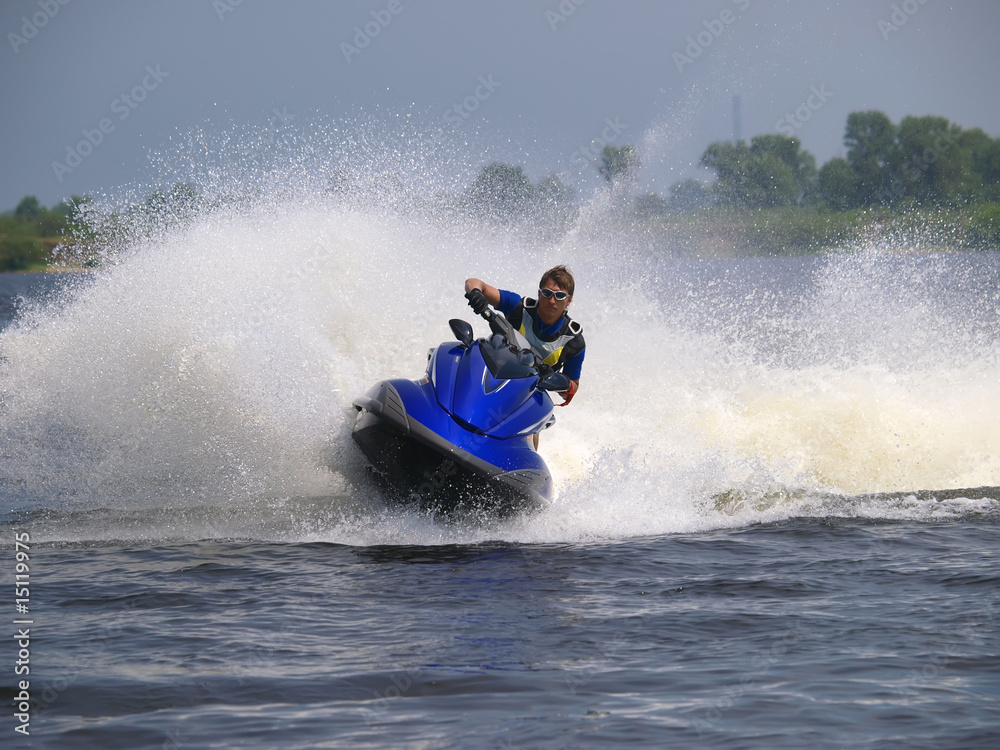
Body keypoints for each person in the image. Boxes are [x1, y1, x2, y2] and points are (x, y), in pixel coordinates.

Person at [464, 265, 585, 413]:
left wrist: (556, 380)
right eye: (547, 293)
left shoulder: (573, 341)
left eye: (559, 296)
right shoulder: (518, 307)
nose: (552, 301)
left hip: (528, 397)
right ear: (539, 294)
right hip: (492, 374)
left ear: (569, 300)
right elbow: (473, 282)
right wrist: (476, 293)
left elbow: (572, 388)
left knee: (534, 420)